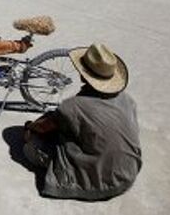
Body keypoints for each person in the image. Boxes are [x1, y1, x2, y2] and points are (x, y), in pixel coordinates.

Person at [20, 43, 141, 200]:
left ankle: (78, 180)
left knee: (30, 147)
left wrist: (29, 127)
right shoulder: (127, 99)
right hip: (128, 173)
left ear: (84, 74)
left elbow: (42, 128)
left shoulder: (74, 105)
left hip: (101, 184)